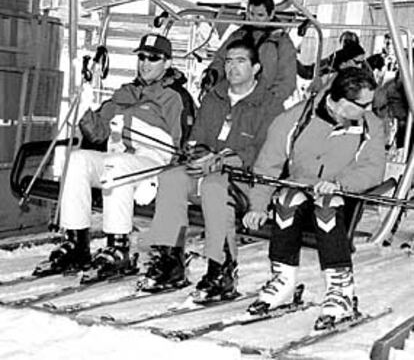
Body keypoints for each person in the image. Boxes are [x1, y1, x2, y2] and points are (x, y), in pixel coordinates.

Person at [35, 34, 195, 280]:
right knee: (77, 160)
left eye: (153, 58)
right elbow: (98, 132)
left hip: (153, 162)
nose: (145, 63)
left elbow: (181, 143)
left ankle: (119, 247)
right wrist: (86, 104)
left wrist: (162, 181)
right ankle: (77, 241)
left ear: (167, 62)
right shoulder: (126, 93)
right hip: (118, 158)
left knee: (117, 166)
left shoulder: (174, 97)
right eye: (142, 57)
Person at [137, 38, 284, 301]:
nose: (232, 68)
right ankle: (171, 262)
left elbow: (265, 152)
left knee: (217, 187)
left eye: (241, 61)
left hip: (241, 179)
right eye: (228, 61)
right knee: (171, 178)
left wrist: (224, 160)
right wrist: (199, 153)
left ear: (256, 68)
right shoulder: (214, 97)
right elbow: (197, 136)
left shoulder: (269, 105)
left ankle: (221, 269)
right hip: (206, 170)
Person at [243, 68, 386, 329]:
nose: (369, 109)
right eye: (363, 104)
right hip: (302, 187)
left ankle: (341, 292)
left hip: (342, 193)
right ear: (341, 101)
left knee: (327, 207)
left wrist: (339, 184)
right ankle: (283, 281)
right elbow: (268, 165)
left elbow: (373, 169)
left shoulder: (370, 126)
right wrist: (258, 205)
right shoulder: (295, 119)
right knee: (286, 200)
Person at [200, 0, 297, 104]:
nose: (254, 19)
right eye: (251, 14)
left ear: (271, 14)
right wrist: (213, 74)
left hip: (264, 104)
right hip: (233, 100)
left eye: (260, 15)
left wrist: (269, 100)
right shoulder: (238, 36)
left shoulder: (281, 42)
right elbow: (221, 59)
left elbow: (287, 80)